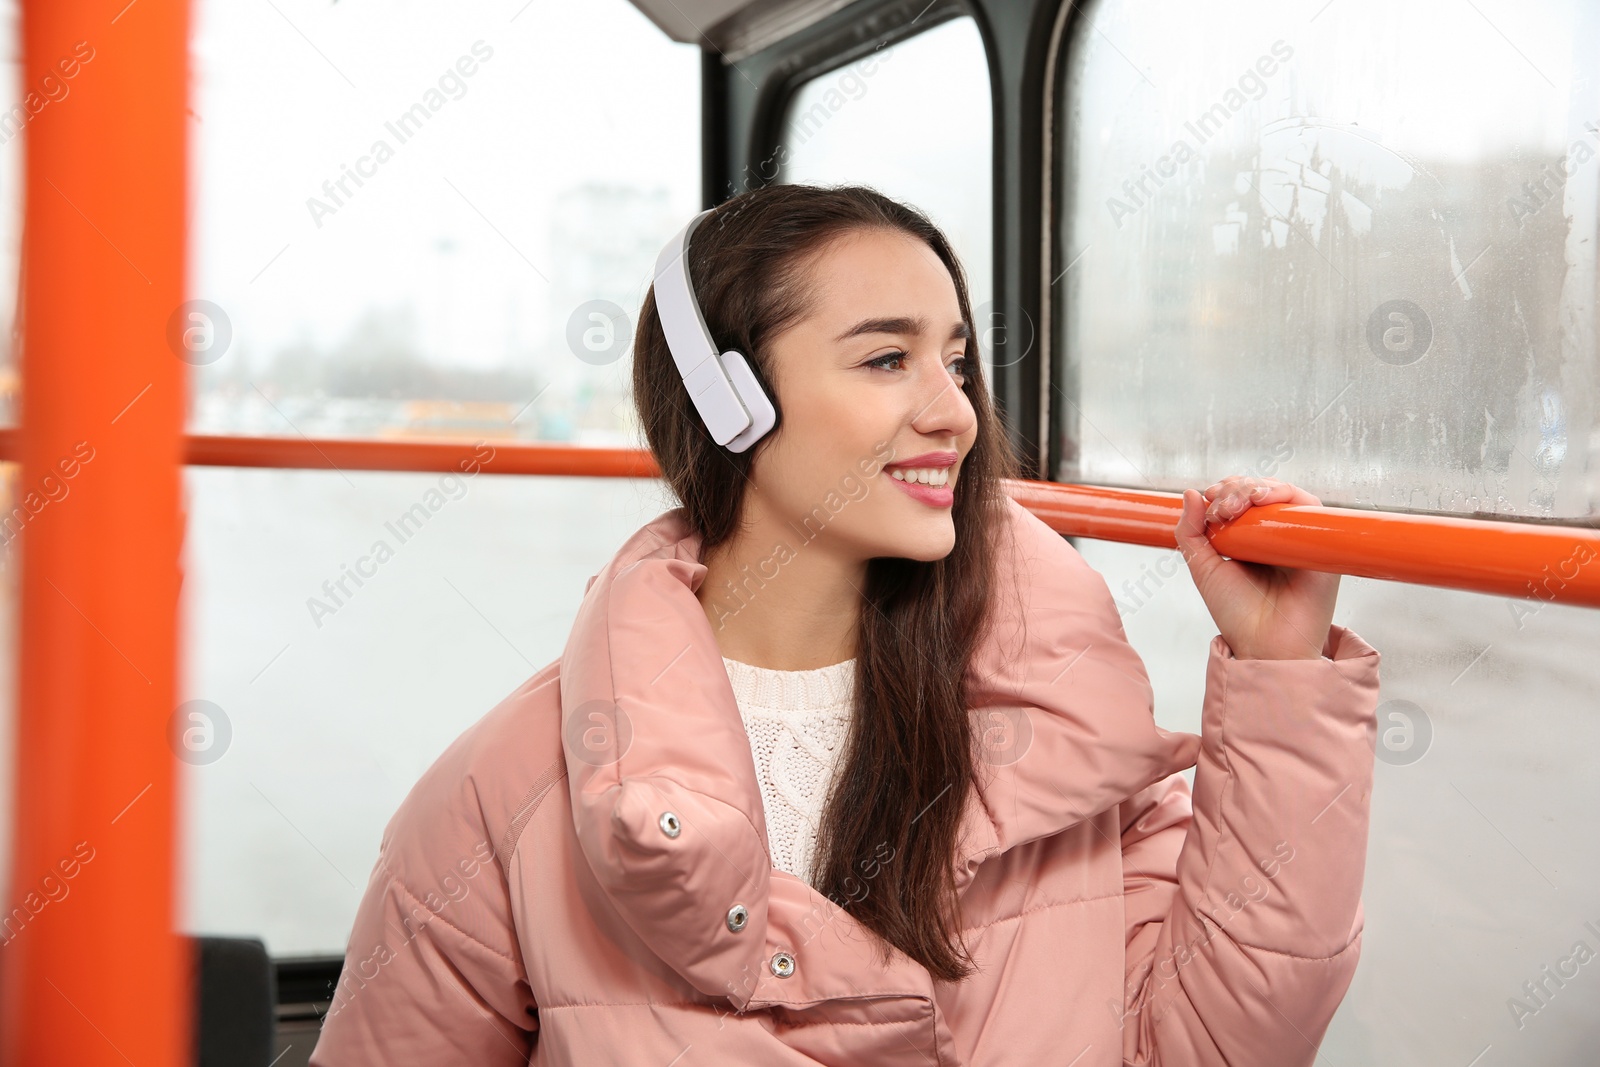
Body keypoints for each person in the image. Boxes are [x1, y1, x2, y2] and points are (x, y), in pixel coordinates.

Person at [309, 184, 1381, 1066]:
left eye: (955, 361)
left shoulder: (1066, 740)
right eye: (885, 360)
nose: (954, 410)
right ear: (732, 407)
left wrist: (1279, 671)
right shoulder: (504, 793)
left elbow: (1217, 1045)